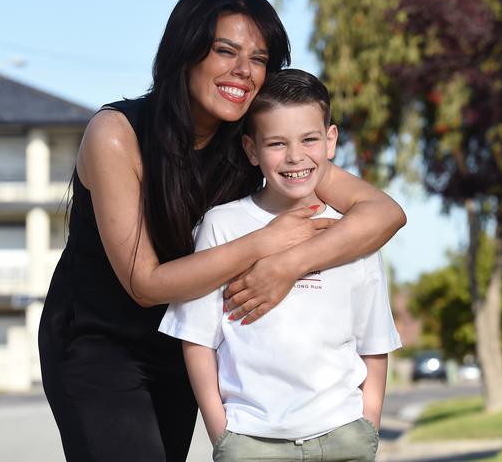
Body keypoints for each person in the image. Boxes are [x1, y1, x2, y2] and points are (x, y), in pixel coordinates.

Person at [38, 0, 406, 462]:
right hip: (101, 343)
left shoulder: (256, 143)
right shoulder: (116, 136)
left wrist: (290, 264)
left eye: (258, 58)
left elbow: (383, 214)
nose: (243, 71)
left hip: (183, 344)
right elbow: (145, 284)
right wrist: (264, 243)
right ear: (185, 53)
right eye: (225, 51)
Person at [159, 69, 402, 462]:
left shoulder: (356, 233)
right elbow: (197, 339)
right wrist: (222, 434)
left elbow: (374, 342)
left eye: (309, 139)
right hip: (251, 441)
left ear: (330, 141)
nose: (295, 156)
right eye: (276, 143)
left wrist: (367, 425)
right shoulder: (223, 225)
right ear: (252, 150)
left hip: (343, 437)